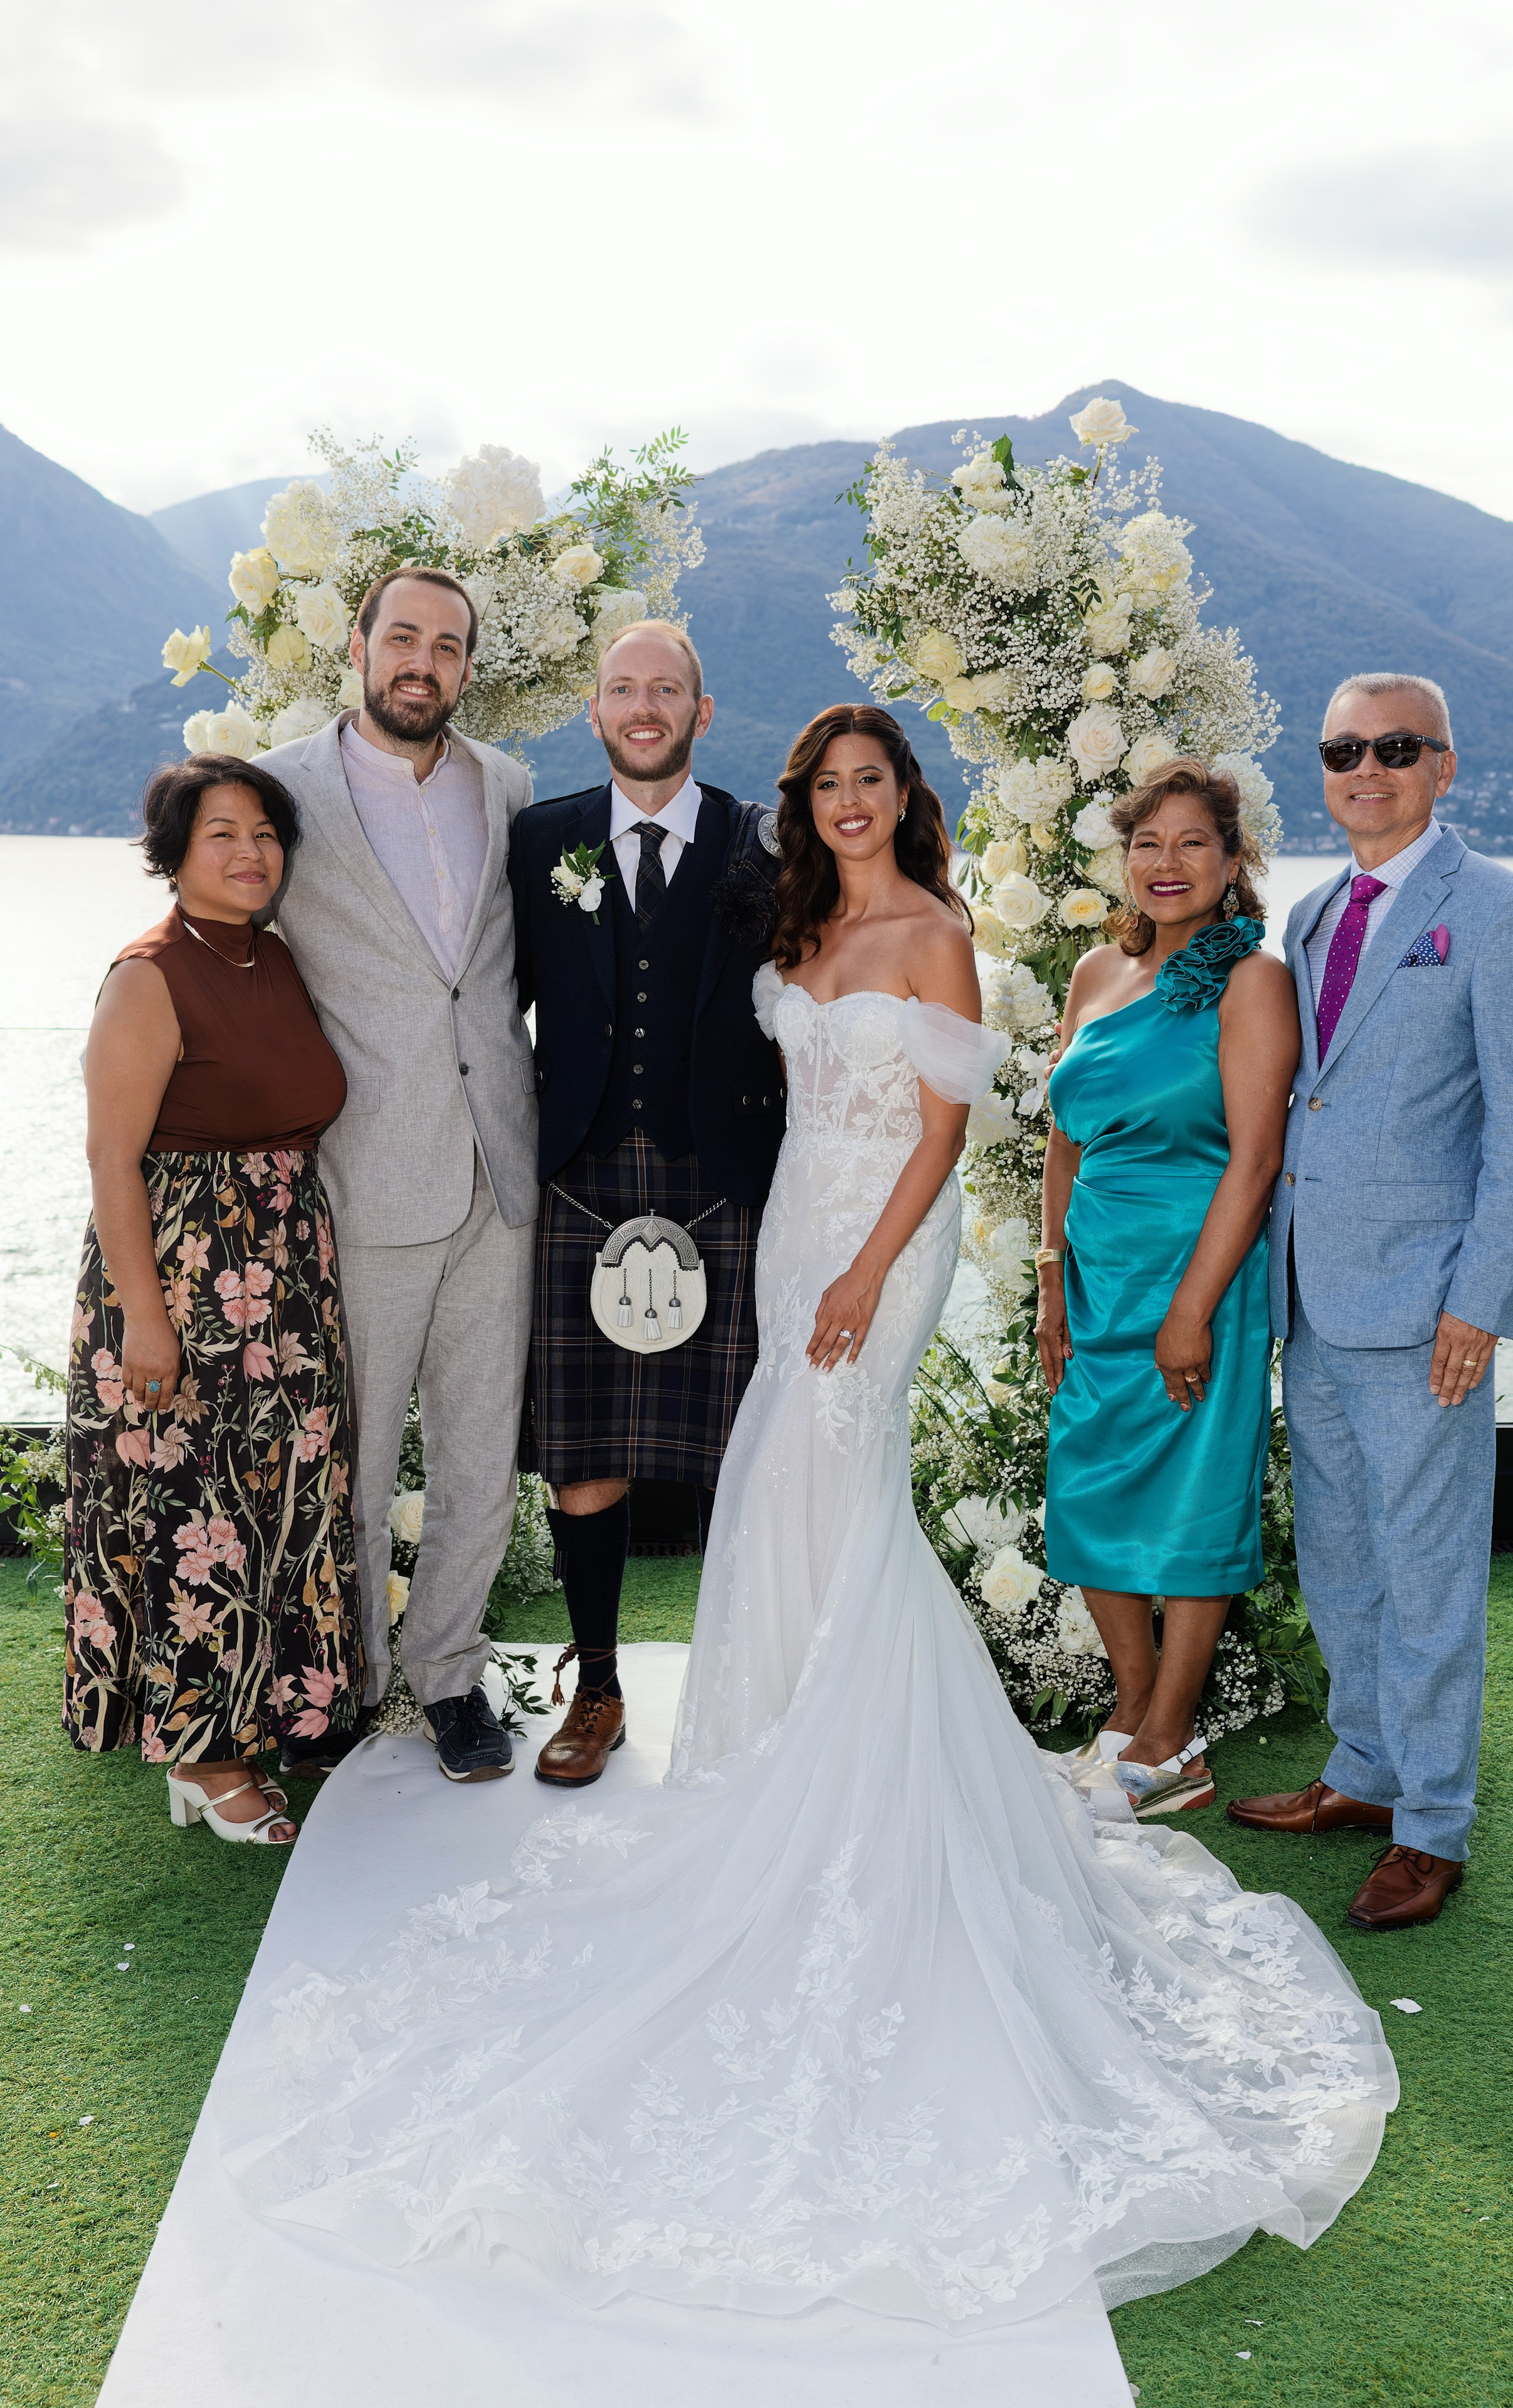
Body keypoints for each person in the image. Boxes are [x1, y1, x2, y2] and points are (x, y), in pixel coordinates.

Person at [219, 705, 1396, 2333]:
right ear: (809, 805)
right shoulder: (798, 924)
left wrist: (861, 1274)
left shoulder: (933, 933)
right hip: (788, 1231)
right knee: (776, 1488)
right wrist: (787, 1245)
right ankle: (773, 1753)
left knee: (839, 1487)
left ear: (906, 796)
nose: (849, 804)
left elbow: (943, 1132)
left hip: (878, 1251)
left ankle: (866, 1794)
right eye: (828, 786)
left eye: (871, 782)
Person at [1228, 673, 1513, 1928]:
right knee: (1340, 1558)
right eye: (1341, 751)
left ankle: (1431, 1825)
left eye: (1394, 747)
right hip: (1311, 1297)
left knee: (1426, 1573)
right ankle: (1365, 1772)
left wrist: (1481, 1302)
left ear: (1442, 765)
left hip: (1428, 1312)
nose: (1364, 768)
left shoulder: (1499, 910)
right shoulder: (1314, 914)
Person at [262, 569, 539, 1786]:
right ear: (362, 646)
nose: (423, 661)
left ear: (467, 667)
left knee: (481, 1457)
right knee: (358, 1460)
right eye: (404, 638)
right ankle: (348, 1679)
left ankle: (450, 1676)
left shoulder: (509, 788)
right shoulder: (282, 789)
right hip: (368, 1172)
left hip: (502, 1171)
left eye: (447, 645)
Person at [63, 756, 362, 1845]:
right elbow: (111, 1159)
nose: (250, 852)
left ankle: (270, 1716)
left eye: (266, 833)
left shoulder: (271, 956)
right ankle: (202, 1756)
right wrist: (144, 1320)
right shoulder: (148, 976)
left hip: (285, 1278)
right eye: (222, 833)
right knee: (195, 1516)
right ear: (175, 853)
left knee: (282, 1502)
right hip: (184, 1282)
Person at [508, 620, 784, 1786]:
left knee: (742, 1447)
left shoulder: (764, 843)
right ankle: (599, 1688)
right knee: (585, 1450)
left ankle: (744, 1698)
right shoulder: (541, 839)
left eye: (665, 689)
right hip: (576, 1175)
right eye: (622, 688)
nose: (643, 707)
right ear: (595, 709)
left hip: (723, 1179)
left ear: (700, 712)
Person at [1035, 759, 1300, 1815]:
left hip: (1202, 1272)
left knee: (1196, 1496)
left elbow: (1256, 1159)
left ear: (1233, 861)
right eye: (1148, 843)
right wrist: (1051, 1279)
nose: (1167, 862)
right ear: (1125, 860)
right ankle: (1136, 1714)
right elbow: (1064, 1140)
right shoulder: (1095, 972)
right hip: (1097, 1276)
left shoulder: (1253, 981)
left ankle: (1173, 1736)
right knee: (1085, 1484)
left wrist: (1191, 1309)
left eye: (1194, 842)